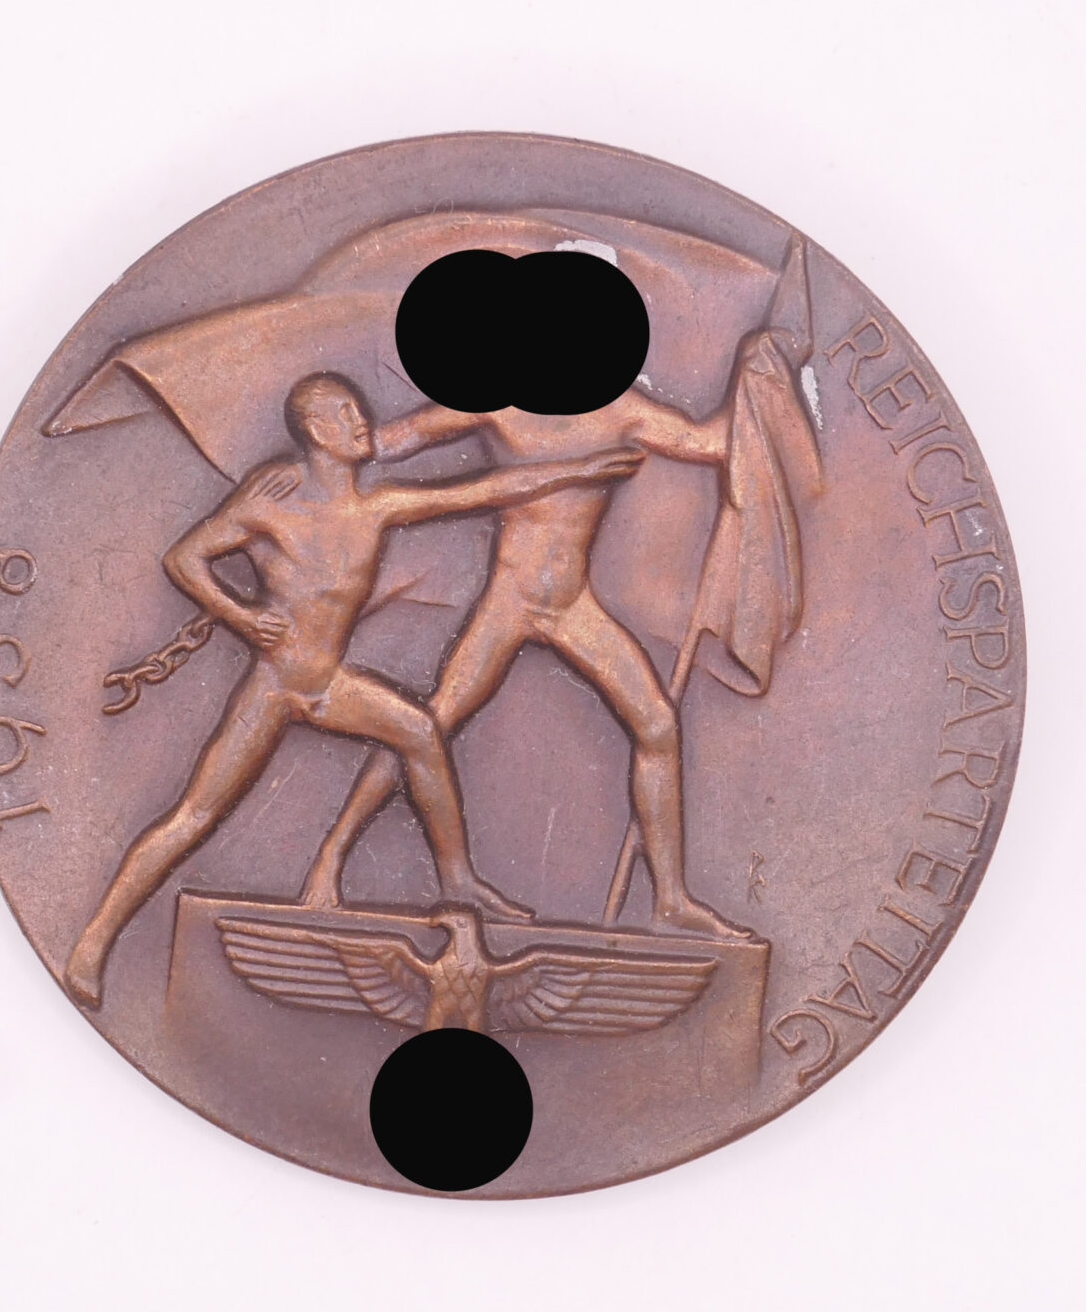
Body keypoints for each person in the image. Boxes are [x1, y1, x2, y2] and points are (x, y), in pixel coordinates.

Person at [65, 373, 643, 1008]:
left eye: (357, 406)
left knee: (419, 731)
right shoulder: (272, 503)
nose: (360, 417)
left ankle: (458, 881)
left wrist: (578, 470)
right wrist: (241, 616)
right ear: (316, 430)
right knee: (193, 817)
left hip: (327, 685)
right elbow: (184, 558)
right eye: (343, 411)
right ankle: (95, 941)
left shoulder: (376, 508)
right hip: (275, 687)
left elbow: (479, 491)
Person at [297, 385, 751, 941]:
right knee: (427, 726)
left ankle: (671, 902)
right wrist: (304, 468)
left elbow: (709, 442)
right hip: (508, 605)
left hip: (570, 605)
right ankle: (331, 856)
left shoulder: (624, 411)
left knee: (657, 723)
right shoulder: (499, 405)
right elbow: (384, 443)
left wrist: (757, 377)